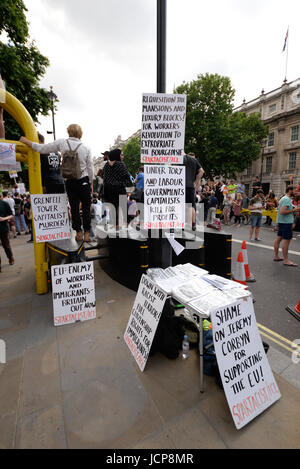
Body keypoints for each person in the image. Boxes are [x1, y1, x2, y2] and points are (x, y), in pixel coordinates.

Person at [20, 124, 94, 242]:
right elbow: (90, 167)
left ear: (68, 132)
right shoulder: (86, 147)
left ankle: (78, 233)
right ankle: (87, 234)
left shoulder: (62, 143)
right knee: (85, 208)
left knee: (74, 208)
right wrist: (91, 182)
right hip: (83, 180)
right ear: (80, 133)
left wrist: (27, 141)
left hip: (69, 181)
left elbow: (42, 149)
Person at [102, 148, 132, 229]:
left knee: (113, 207)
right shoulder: (120, 164)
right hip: (119, 188)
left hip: (108, 189)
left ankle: (115, 225)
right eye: (121, 155)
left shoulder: (106, 165)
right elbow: (127, 176)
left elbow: (103, 177)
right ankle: (126, 224)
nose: (123, 157)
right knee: (123, 207)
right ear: (117, 155)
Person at [274, 186, 299, 266]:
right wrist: (294, 210)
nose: (296, 192)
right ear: (290, 190)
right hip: (286, 223)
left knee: (278, 239)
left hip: (282, 222)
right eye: (295, 191)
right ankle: (286, 260)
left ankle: (276, 256)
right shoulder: (287, 199)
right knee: (286, 240)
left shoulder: (283, 198)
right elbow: (282, 211)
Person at [183, 153, 204, 230]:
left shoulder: (177, 159)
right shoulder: (194, 160)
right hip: (190, 186)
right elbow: (201, 171)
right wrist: (195, 182)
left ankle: (181, 223)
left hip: (179, 185)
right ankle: (192, 224)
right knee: (191, 205)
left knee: (180, 205)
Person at [0, 195, 14, 270]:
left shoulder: (4, 204)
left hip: (3, 228)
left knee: (6, 245)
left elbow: (11, 215)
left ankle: (10, 257)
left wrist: (3, 218)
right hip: (4, 227)